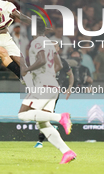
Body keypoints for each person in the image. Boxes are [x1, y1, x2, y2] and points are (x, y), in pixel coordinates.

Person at [18, 20, 76, 164]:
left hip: (42, 86)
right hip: (53, 86)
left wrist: (28, 70)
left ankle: (61, 117)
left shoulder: (37, 42)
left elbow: (42, 59)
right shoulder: (50, 42)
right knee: (43, 124)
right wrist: (47, 74)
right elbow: (59, 65)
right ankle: (67, 152)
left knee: (22, 115)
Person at [34, 45, 74, 149]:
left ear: (58, 49)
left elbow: (70, 75)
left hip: (53, 91)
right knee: (40, 115)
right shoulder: (42, 60)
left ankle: (40, 141)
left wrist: (69, 87)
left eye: (54, 46)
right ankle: (51, 125)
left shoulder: (62, 62)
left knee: (43, 114)